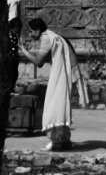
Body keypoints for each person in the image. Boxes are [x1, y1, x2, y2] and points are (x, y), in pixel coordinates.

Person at [17, 14, 87, 153]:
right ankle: (63, 140)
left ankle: (56, 141)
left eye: (31, 31)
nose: (30, 35)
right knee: (60, 106)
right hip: (69, 74)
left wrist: (23, 50)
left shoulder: (46, 38)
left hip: (65, 75)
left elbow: (38, 62)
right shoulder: (53, 36)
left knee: (54, 108)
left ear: (37, 30)